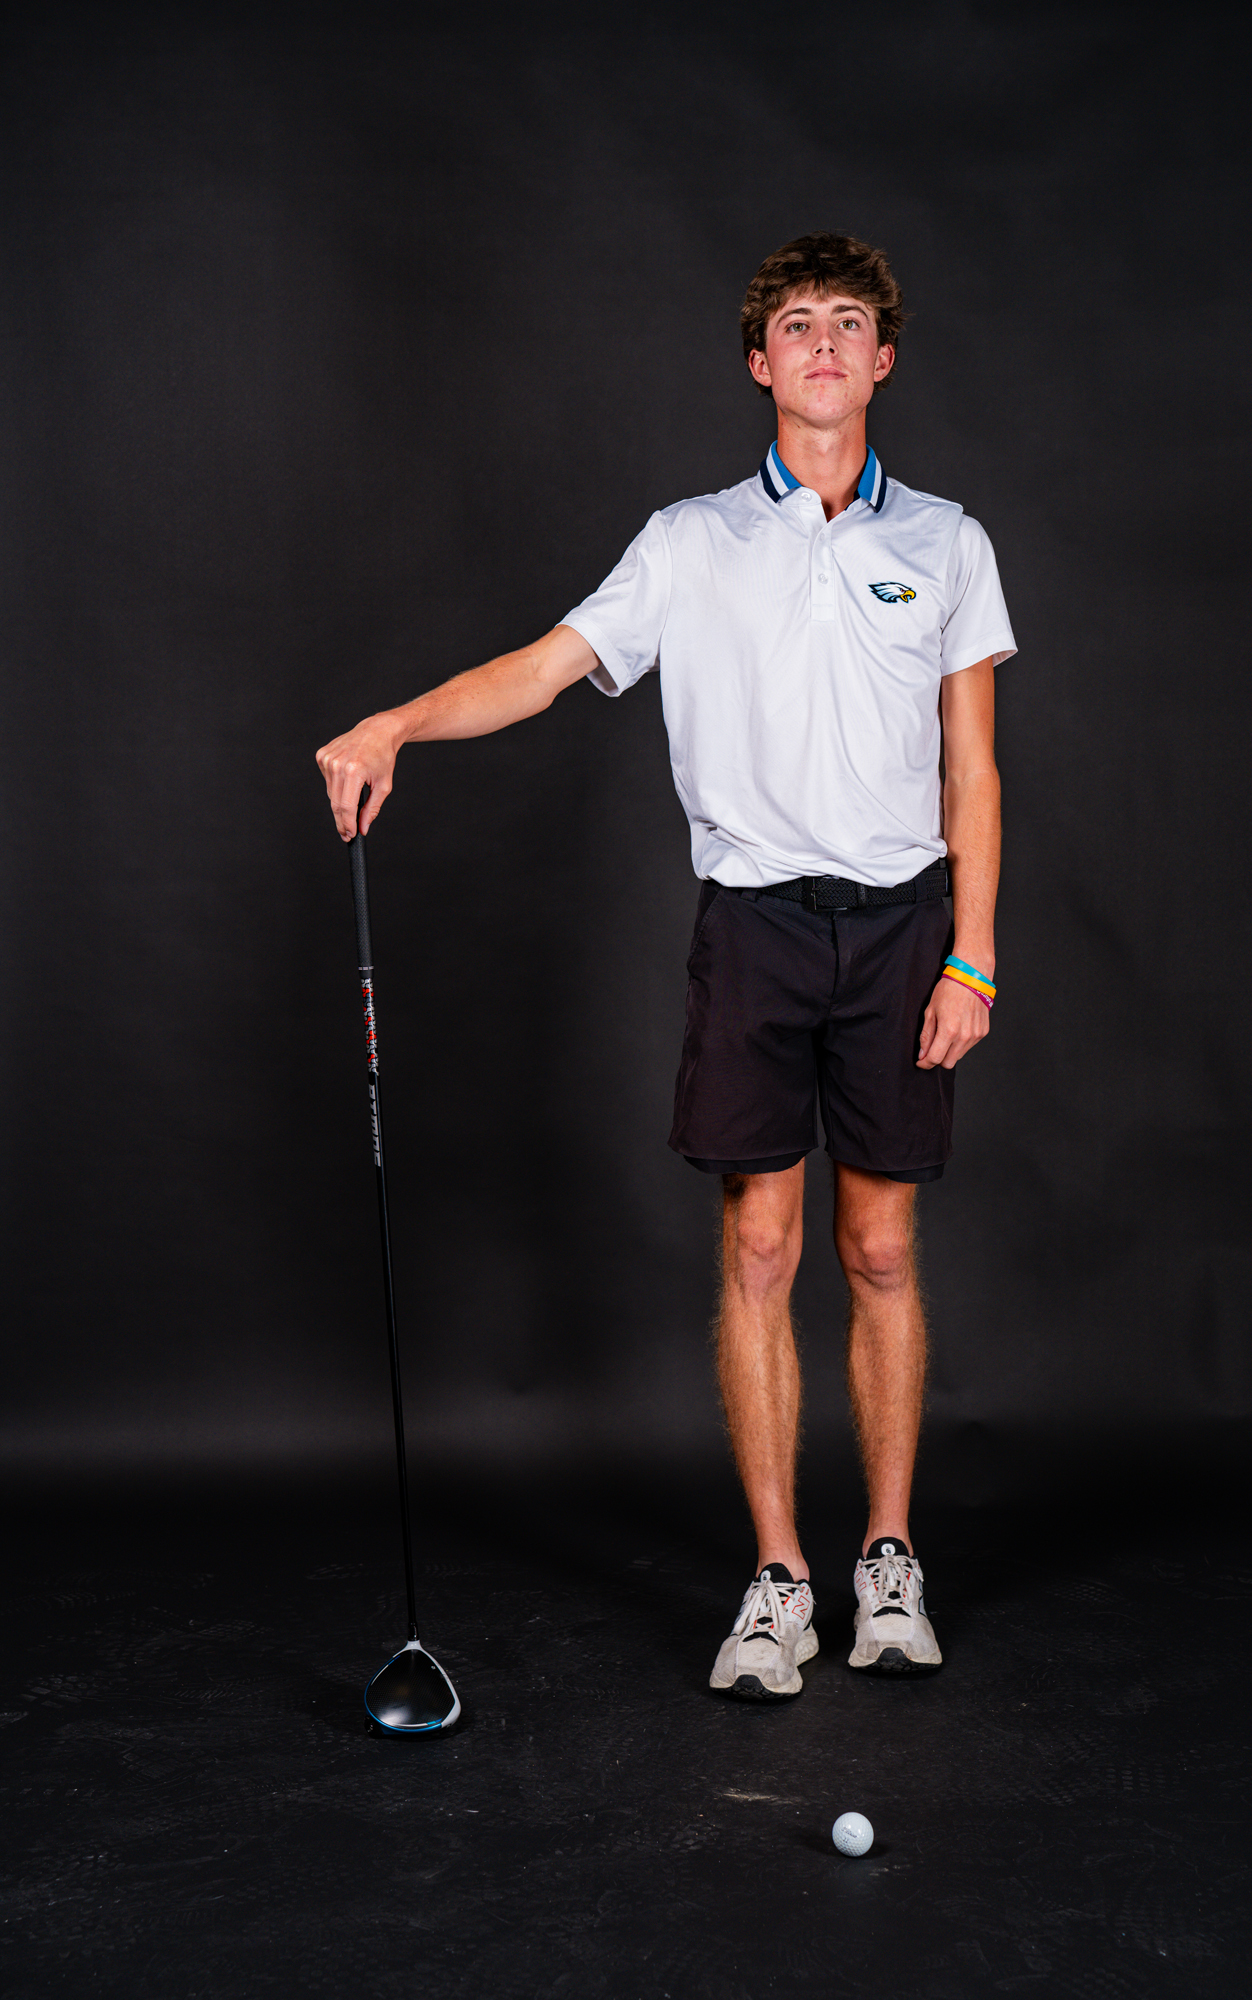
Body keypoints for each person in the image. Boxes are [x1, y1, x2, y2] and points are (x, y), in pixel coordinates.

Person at [317, 232, 1014, 1701]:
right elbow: (543, 668)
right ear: (760, 363)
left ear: (883, 361)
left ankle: (889, 1561)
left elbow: (973, 768)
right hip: (754, 927)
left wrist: (975, 958)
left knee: (880, 1250)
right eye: (797, 325)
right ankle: (779, 1580)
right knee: (758, 1250)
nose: (823, 345)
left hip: (902, 929)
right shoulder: (689, 541)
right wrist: (394, 725)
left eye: (848, 324)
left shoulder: (948, 542)